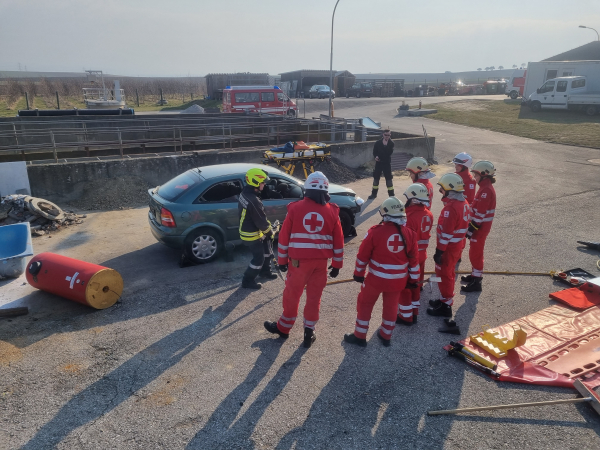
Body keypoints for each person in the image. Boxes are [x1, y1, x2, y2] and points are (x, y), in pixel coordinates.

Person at [264, 172, 344, 348]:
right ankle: (309, 331)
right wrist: (337, 264)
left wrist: (282, 261)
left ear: (307, 189)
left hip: (298, 263)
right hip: (321, 264)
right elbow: (339, 241)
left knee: (292, 295)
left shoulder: (295, 208)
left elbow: (284, 238)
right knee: (314, 297)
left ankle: (284, 328)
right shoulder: (332, 211)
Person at [344, 197, 420, 347]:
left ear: (385, 214)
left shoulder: (375, 232)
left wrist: (358, 273)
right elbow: (414, 262)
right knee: (391, 306)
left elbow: (362, 255)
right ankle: (386, 335)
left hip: (375, 280)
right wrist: (413, 280)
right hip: (398, 282)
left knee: (365, 304)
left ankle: (360, 335)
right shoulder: (410, 234)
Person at [427, 173, 469, 318]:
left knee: (444, 275)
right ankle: (445, 299)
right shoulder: (464, 203)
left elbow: (446, 233)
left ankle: (446, 306)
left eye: (442, 189)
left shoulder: (450, 209)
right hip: (456, 246)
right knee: (449, 274)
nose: (440, 192)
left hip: (448, 249)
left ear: (450, 190)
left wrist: (439, 252)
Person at [396, 183, 434, 325]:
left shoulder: (409, 217)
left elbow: (404, 240)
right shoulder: (428, 213)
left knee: (405, 287)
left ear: (414, 199)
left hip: (410, 258)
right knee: (416, 285)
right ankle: (415, 312)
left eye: (408, 198)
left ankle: (406, 317)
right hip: (422, 255)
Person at [461, 161, 497, 292]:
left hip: (480, 229)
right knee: (474, 252)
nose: (474, 178)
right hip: (479, 227)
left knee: (476, 253)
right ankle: (475, 275)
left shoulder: (486, 190)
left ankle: (477, 282)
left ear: (484, 174)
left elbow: (480, 213)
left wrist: (471, 229)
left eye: (475, 175)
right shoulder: (483, 187)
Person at [238, 168, 276, 289]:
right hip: (251, 234)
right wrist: (271, 232)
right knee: (258, 259)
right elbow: (262, 222)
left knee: (266, 252)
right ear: (255, 182)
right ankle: (247, 281)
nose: (264, 184)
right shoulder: (254, 201)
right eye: (263, 182)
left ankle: (265, 272)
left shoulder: (245, 193)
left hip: (250, 230)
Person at [452, 152, 476, 261]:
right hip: (452, 209)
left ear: (463, 166)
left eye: (457, 165)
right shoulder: (453, 177)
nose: (455, 167)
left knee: (460, 234)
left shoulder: (470, 181)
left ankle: (458, 255)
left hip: (462, 212)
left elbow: (470, 200)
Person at [368, 129, 395, 199]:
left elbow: (388, 153)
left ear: (390, 135)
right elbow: (374, 152)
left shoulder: (391, 143)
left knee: (389, 179)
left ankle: (391, 195)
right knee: (376, 179)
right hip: (379, 163)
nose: (387, 136)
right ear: (383, 135)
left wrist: (386, 146)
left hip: (386, 164)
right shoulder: (378, 143)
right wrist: (376, 157)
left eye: (388, 135)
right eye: (385, 135)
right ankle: (373, 194)